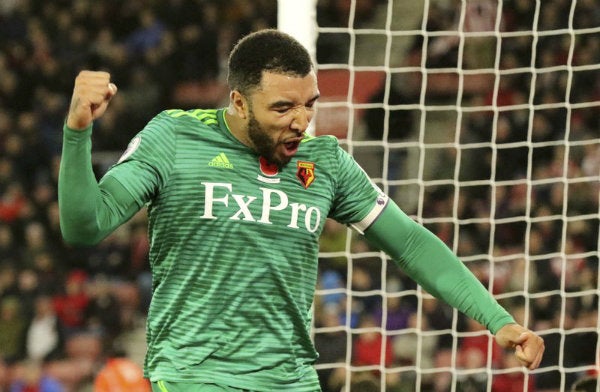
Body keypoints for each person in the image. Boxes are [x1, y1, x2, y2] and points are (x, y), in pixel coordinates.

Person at [58, 28, 544, 391]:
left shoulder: (324, 160)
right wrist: (78, 131)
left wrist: (496, 318)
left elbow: (411, 242)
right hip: (194, 374)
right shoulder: (174, 138)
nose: (301, 122)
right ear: (239, 103)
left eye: (309, 105)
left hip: (291, 377)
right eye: (283, 108)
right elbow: (85, 226)